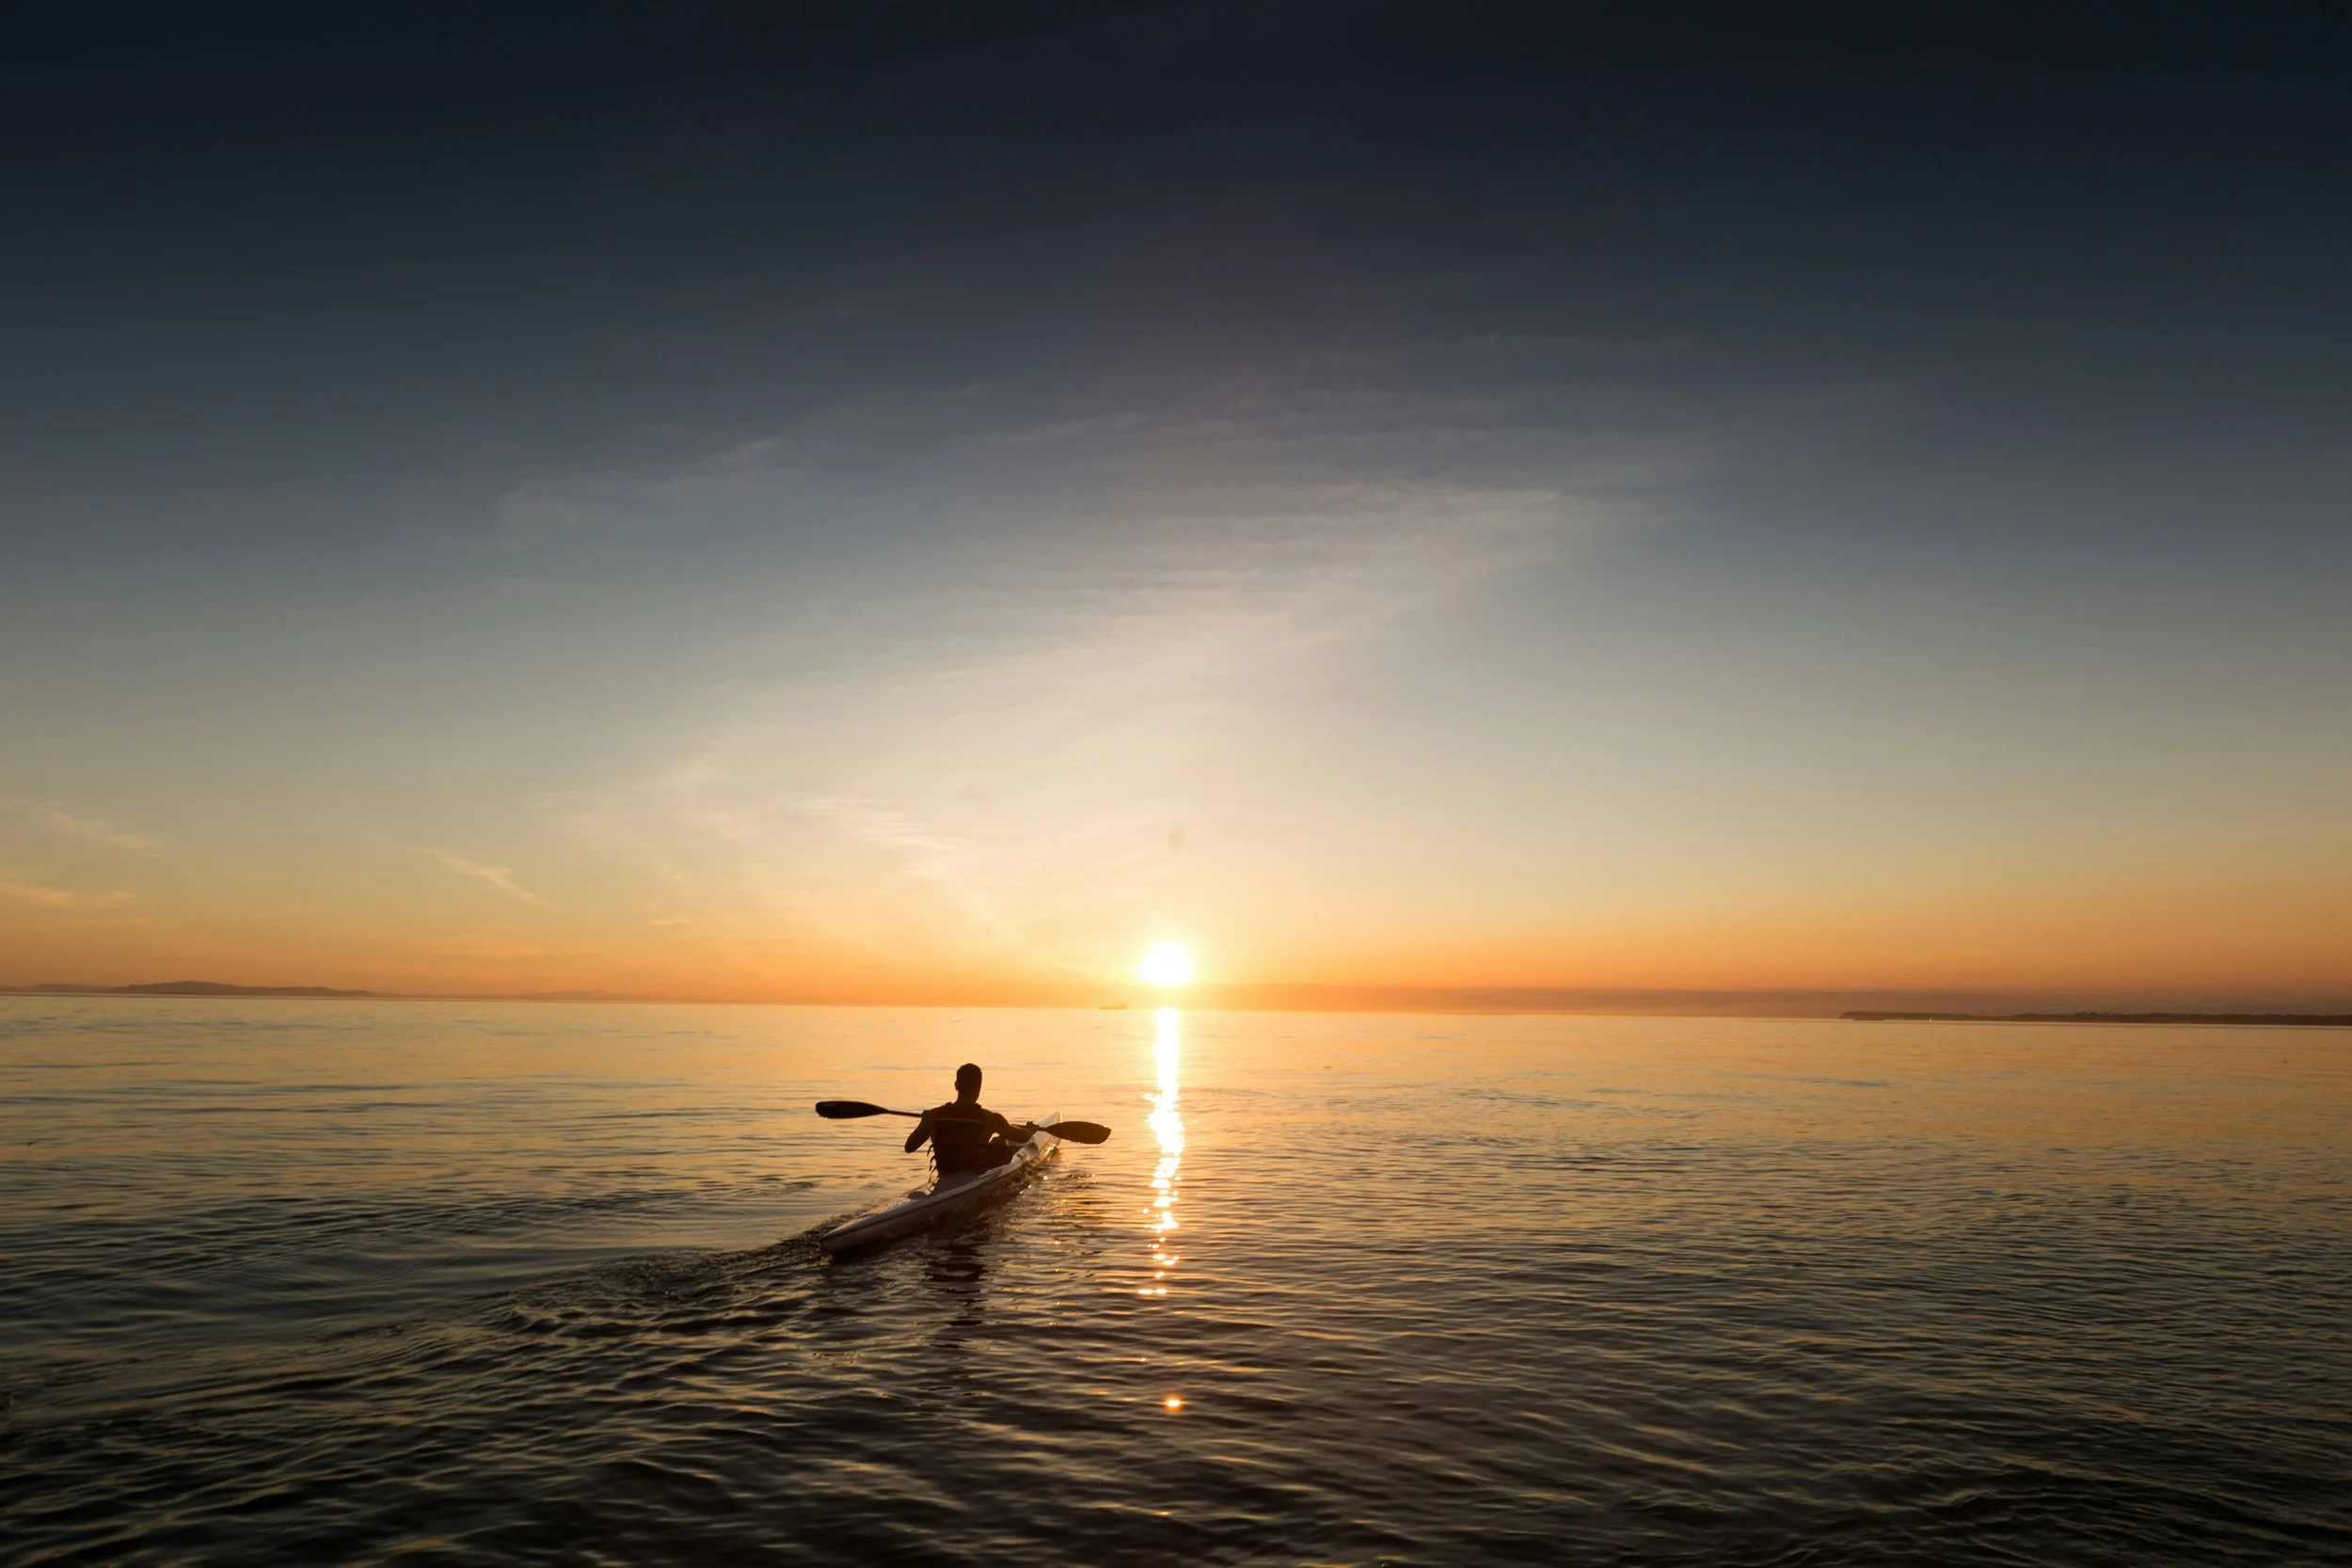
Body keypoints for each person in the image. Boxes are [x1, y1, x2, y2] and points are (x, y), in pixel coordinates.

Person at [906, 1063, 1036, 1175]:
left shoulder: (934, 1115)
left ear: (956, 1085)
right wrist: (1030, 1130)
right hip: (975, 1174)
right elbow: (1024, 1138)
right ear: (979, 1088)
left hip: (945, 1173)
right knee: (1001, 1141)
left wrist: (923, 1123)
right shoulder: (990, 1118)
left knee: (999, 1139)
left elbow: (909, 1147)